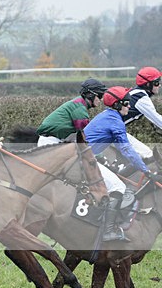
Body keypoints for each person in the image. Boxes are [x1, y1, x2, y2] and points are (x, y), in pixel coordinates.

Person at [84, 86, 162, 242]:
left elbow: (122, 148)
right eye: (126, 103)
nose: (129, 106)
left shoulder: (109, 116)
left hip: (86, 156)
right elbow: (127, 149)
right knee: (119, 187)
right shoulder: (115, 120)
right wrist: (146, 171)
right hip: (83, 159)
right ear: (118, 105)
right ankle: (108, 231)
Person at [36, 78, 107, 146]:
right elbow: (86, 138)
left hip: (55, 139)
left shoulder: (79, 104)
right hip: (50, 141)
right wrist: (99, 156)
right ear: (90, 94)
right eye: (100, 96)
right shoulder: (79, 109)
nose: (101, 100)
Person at [122, 66, 162, 160]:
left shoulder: (135, 92)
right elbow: (158, 120)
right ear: (148, 84)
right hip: (112, 131)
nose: (159, 85)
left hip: (112, 129)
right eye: (156, 83)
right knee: (148, 154)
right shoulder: (141, 98)